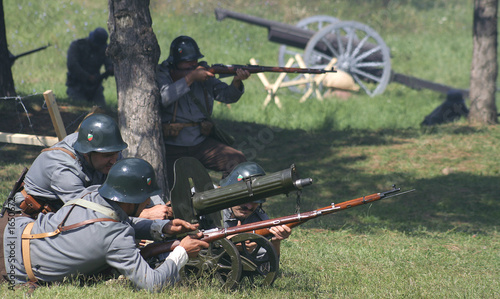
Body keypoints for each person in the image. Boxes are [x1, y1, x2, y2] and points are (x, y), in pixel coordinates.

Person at [1, 158, 209, 291]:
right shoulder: (117, 238)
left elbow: (114, 221)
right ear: (129, 200)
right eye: (145, 197)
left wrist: (161, 227)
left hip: (10, 227)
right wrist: (181, 252)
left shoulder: (93, 192)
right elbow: (152, 284)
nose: (148, 202)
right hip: (9, 265)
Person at [12, 113, 170, 220]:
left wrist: (162, 210)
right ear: (87, 153)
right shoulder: (62, 168)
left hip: (63, 212)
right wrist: (144, 214)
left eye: (117, 153)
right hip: (29, 219)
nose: (114, 161)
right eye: (108, 156)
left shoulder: (105, 148)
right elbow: (87, 213)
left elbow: (132, 183)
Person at [156, 35, 250, 190]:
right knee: (174, 191)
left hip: (200, 143)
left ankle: (224, 199)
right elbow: (164, 98)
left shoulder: (204, 74)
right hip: (171, 147)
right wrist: (190, 78)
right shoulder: (164, 75)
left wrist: (236, 81)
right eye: (187, 61)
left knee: (237, 160)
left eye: (194, 60)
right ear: (175, 62)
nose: (193, 64)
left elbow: (226, 95)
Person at [220, 162, 292, 256]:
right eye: (245, 200)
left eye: (255, 202)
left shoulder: (260, 221)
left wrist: (275, 241)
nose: (249, 207)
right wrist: (226, 243)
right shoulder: (207, 207)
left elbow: (268, 267)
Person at [66, 27, 114, 107]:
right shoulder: (77, 46)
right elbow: (72, 65)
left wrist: (110, 68)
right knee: (79, 108)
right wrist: (87, 77)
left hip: (95, 88)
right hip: (77, 86)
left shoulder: (103, 49)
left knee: (102, 110)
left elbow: (108, 62)